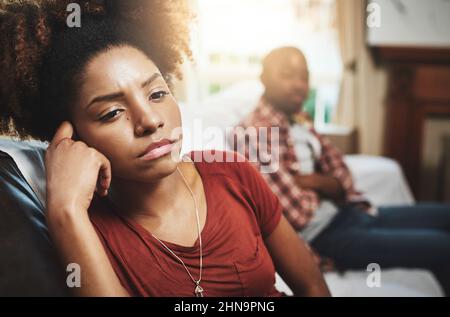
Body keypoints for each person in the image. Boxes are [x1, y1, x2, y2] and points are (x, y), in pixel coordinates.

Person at [0, 1, 329, 297]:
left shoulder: (234, 173)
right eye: (112, 112)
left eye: (157, 94)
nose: (150, 121)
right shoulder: (86, 231)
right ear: (72, 137)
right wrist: (66, 211)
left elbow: (312, 286)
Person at [231, 46, 450, 296]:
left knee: (446, 214)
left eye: (304, 76)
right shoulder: (254, 131)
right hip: (328, 235)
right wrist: (328, 185)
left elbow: (342, 173)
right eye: (287, 75)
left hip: (352, 211)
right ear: (264, 78)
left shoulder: (300, 119)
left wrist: (317, 182)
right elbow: (297, 213)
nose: (298, 84)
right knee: (444, 246)